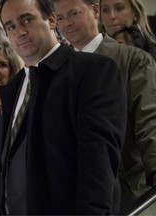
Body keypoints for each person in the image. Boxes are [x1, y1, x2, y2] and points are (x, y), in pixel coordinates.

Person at [0, 0, 127, 215]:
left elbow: (99, 164)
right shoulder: (13, 88)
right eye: (10, 26)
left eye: (27, 19)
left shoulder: (92, 71)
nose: (19, 31)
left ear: (51, 19)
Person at [53, 0, 156, 211]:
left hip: (129, 187)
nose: (67, 23)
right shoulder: (57, 73)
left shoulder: (131, 59)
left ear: (95, 10)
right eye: (61, 18)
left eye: (73, 13)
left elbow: (149, 120)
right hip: (76, 195)